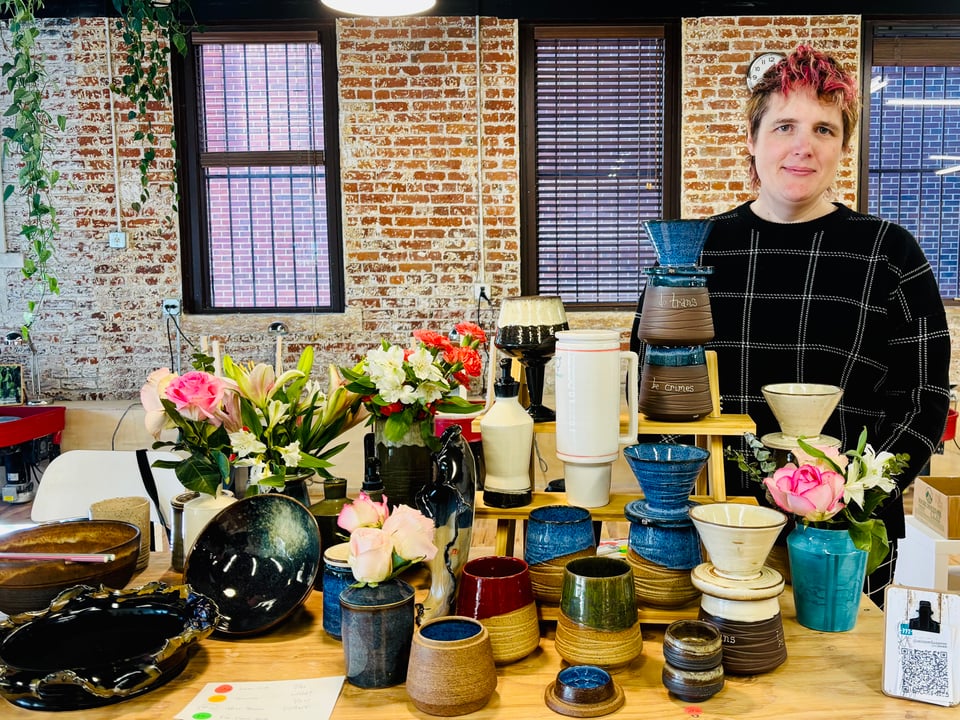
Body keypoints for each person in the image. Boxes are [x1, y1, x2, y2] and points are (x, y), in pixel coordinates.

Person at [630, 44, 952, 608]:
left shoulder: (890, 256)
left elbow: (923, 400)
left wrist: (852, 499)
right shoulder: (692, 254)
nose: (804, 146)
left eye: (824, 130)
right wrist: (680, 498)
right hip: (710, 527)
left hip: (842, 539)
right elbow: (648, 384)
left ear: (844, 148)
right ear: (752, 142)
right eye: (784, 126)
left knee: (837, 687)